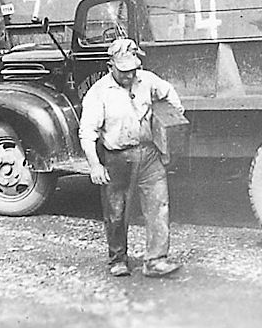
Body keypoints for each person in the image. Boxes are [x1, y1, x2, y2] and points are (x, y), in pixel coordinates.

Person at [79, 37, 185, 278]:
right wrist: (95, 165)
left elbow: (171, 98)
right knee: (116, 211)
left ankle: (156, 260)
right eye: (124, 71)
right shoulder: (99, 93)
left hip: (149, 154)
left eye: (133, 69)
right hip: (117, 157)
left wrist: (169, 129)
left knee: (159, 205)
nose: (129, 75)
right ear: (111, 66)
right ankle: (117, 259)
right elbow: (87, 133)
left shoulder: (147, 80)